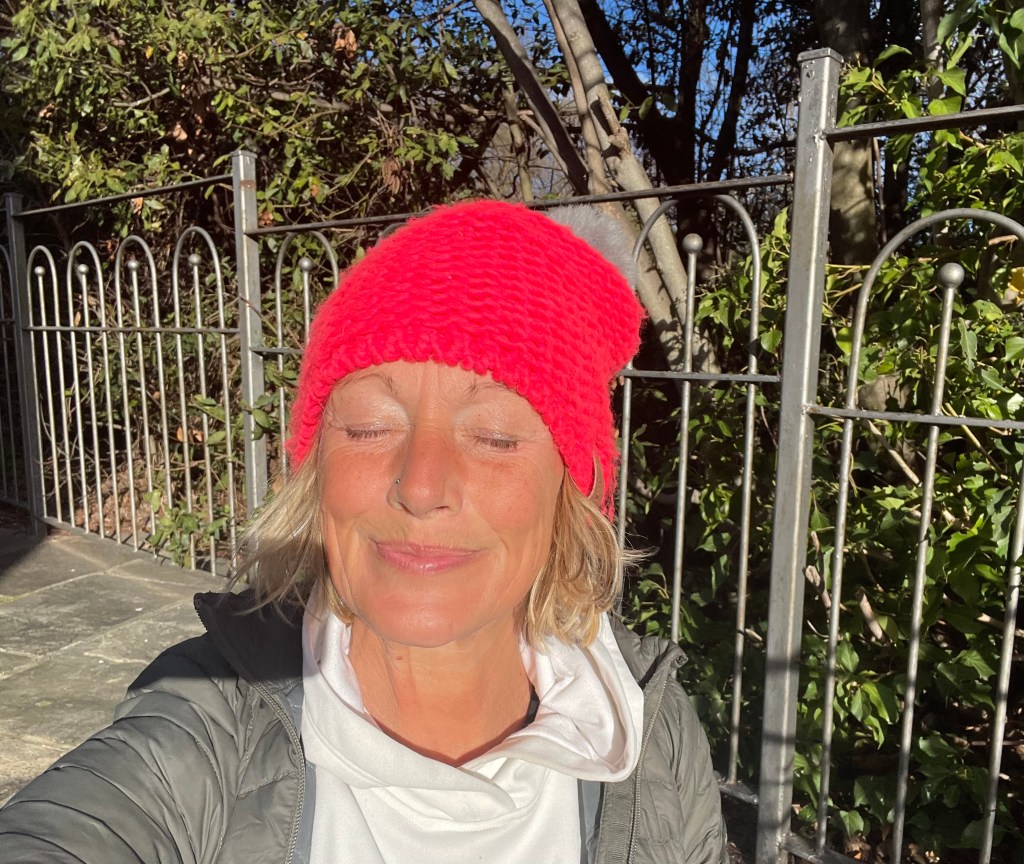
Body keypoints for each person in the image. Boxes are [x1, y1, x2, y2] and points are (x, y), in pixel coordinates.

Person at [0, 200, 727, 863]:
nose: (420, 485)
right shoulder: (211, 717)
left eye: (496, 436)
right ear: (317, 469)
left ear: (572, 490)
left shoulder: (647, 733)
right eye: (370, 427)